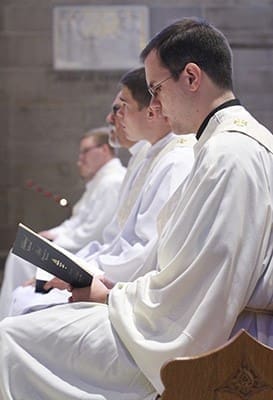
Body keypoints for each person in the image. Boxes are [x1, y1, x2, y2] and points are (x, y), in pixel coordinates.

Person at [7, 67, 195, 316]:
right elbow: (114, 240)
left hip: (132, 299)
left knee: (21, 318)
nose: (111, 119)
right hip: (115, 280)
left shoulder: (175, 160)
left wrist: (84, 277)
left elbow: (143, 253)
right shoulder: (149, 157)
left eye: (121, 107)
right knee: (23, 298)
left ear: (153, 110)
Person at [0, 127, 126, 319]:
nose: (80, 159)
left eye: (85, 151)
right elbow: (76, 223)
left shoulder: (112, 182)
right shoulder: (102, 181)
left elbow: (94, 234)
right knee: (21, 253)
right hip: (82, 246)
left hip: (94, 253)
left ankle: (11, 317)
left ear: (104, 150)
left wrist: (55, 241)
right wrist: (53, 234)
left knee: (23, 257)